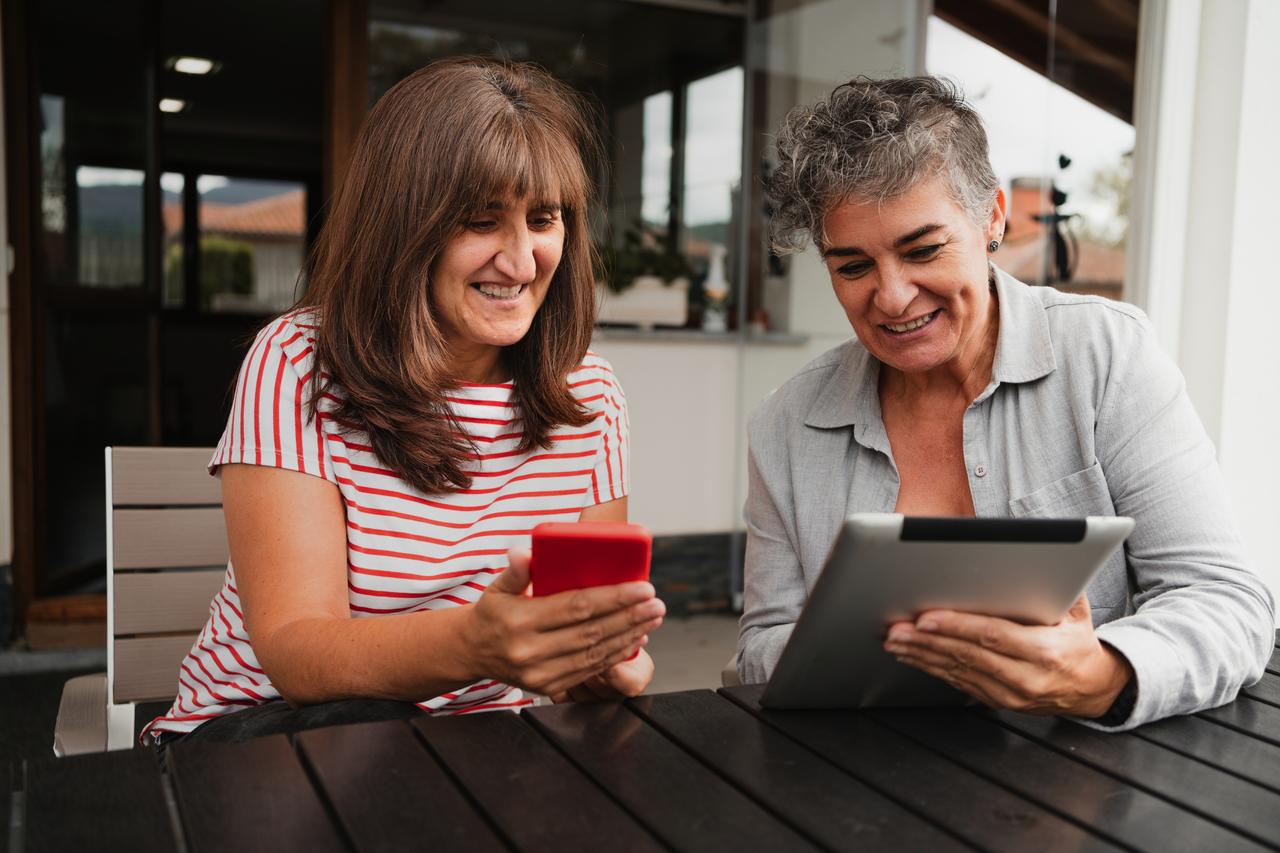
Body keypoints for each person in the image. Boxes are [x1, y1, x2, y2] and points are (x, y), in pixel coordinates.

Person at [145, 57, 664, 745]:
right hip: (265, 740)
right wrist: (477, 644)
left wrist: (598, 663)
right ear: (404, 227)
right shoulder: (299, 361)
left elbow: (584, 625)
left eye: (543, 219)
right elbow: (298, 655)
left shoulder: (590, 396)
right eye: (481, 221)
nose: (520, 259)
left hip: (469, 753)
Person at [737, 75, 1274, 729]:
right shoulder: (786, 424)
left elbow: (1227, 602)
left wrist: (1099, 674)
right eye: (852, 266)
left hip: (1081, 782)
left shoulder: (1104, 357)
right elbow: (758, 651)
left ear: (991, 217)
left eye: (923, 249)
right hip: (861, 782)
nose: (893, 296)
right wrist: (854, 643)